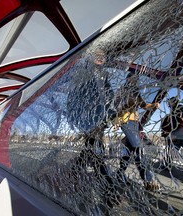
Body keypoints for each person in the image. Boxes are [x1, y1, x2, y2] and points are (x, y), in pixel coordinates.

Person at [67, 48, 120, 208]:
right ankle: (109, 190)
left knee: (90, 149)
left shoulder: (104, 75)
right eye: (97, 54)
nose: (100, 57)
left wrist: (112, 115)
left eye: (103, 55)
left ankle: (74, 171)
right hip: (87, 118)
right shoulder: (82, 72)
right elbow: (74, 96)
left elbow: (108, 97)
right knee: (97, 151)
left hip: (99, 119)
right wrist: (76, 118)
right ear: (90, 57)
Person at [114, 72, 160, 191]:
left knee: (130, 151)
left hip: (135, 124)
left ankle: (119, 174)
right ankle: (148, 180)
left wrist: (154, 105)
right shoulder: (122, 90)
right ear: (128, 78)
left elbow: (144, 105)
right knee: (139, 149)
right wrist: (119, 119)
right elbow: (117, 105)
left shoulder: (135, 92)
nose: (134, 80)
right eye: (132, 78)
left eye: (136, 79)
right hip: (126, 121)